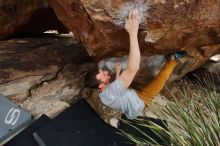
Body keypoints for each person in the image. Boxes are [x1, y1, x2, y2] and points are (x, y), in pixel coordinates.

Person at [85, 10, 186, 119]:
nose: (105, 71)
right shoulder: (111, 92)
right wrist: (133, 33)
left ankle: (169, 58)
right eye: (102, 74)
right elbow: (133, 68)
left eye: (102, 71)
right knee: (161, 79)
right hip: (142, 101)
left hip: (133, 97)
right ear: (100, 85)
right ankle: (172, 58)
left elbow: (118, 89)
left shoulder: (104, 94)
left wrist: (118, 72)